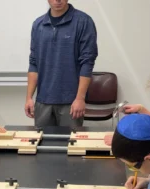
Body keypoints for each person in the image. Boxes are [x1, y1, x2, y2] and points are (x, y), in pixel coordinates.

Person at [25, 0, 98, 128]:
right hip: (43, 100)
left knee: (70, 145)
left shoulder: (83, 22)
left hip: (71, 101)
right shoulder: (38, 25)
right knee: (42, 145)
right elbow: (34, 62)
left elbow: (87, 63)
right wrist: (29, 97)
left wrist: (80, 98)